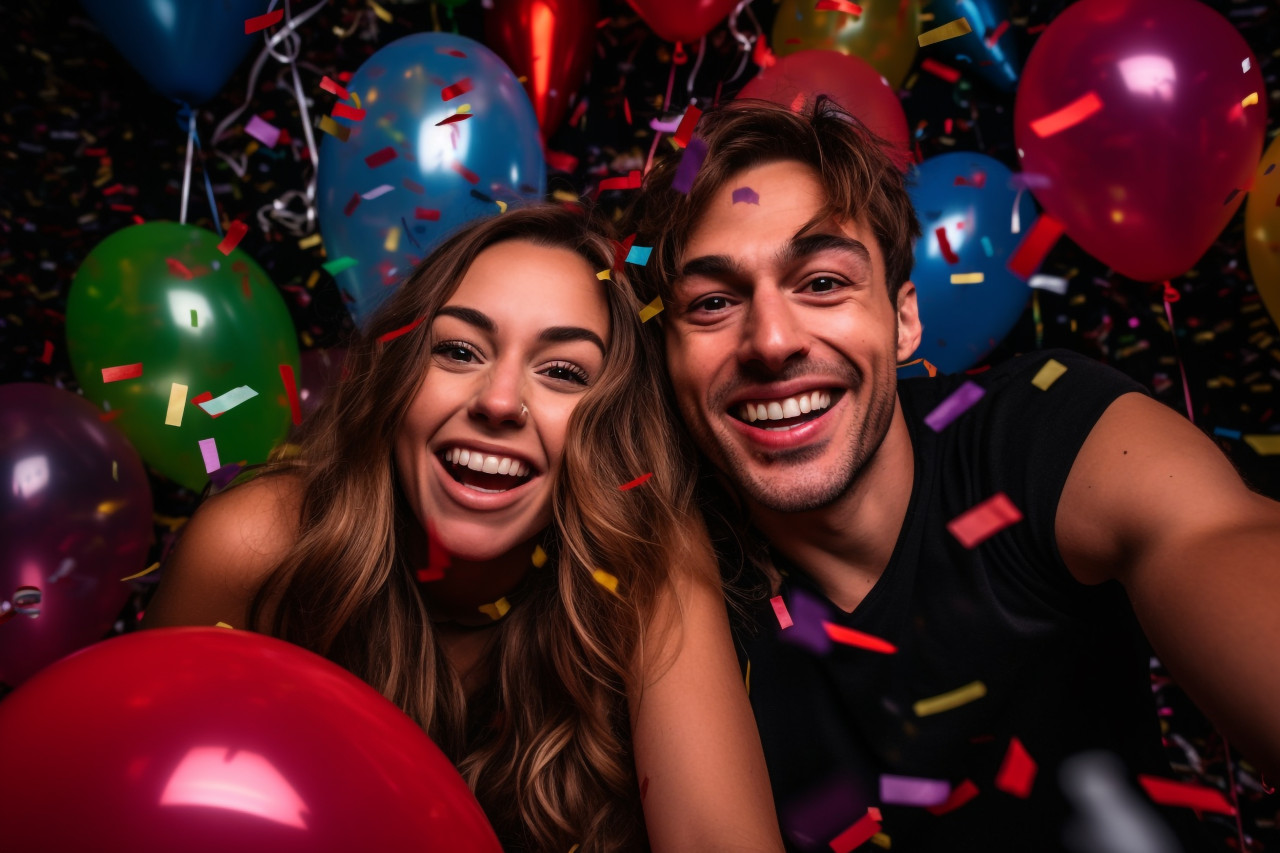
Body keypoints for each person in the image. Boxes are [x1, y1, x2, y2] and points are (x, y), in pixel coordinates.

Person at [623, 98, 1280, 851]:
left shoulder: (1040, 430)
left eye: (824, 283)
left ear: (904, 318)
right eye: (712, 302)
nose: (771, 340)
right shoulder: (678, 572)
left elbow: (1213, 534)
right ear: (666, 360)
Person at [141, 205, 784, 853]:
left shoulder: (646, 559)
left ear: (612, 428)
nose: (499, 401)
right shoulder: (255, 545)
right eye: (457, 350)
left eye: (562, 371)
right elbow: (139, 802)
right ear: (397, 381)